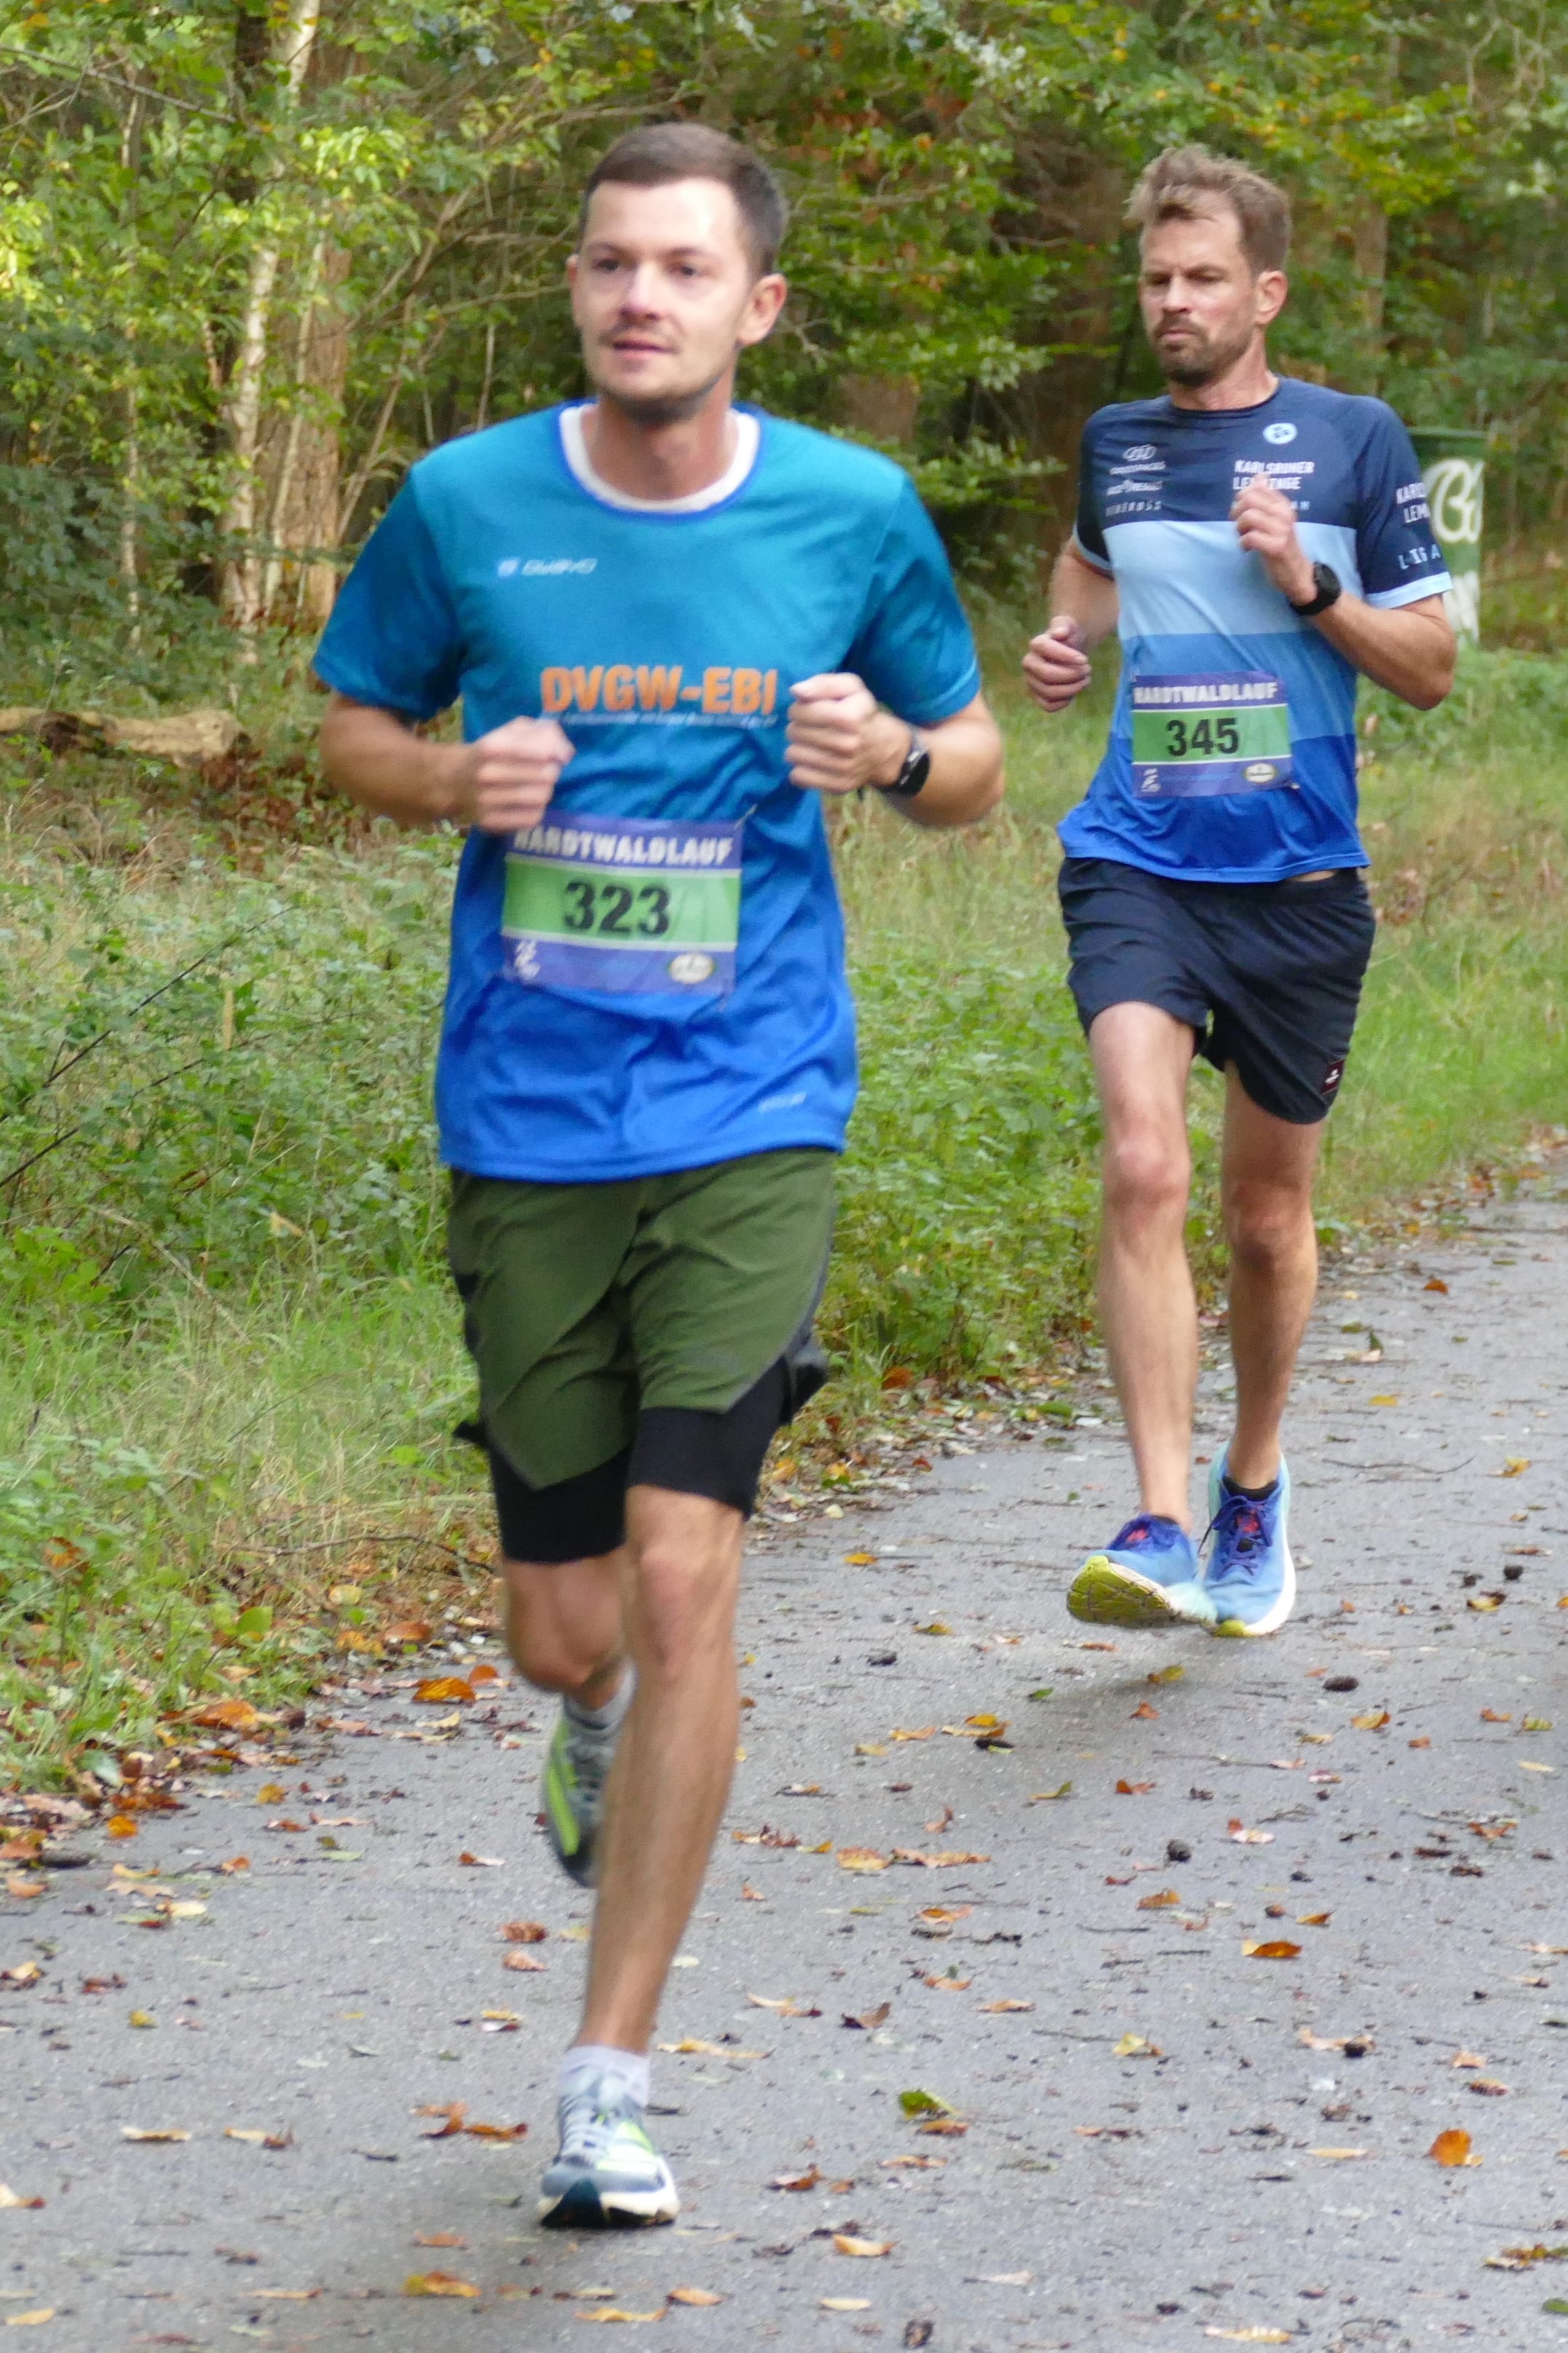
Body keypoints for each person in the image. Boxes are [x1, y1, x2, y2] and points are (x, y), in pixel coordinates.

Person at [314, 121, 1003, 2229]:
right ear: (578, 286)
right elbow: (349, 726)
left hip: (752, 1103)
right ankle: (590, 1716)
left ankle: (605, 2080)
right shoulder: (467, 502)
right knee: (566, 1627)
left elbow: (973, 765)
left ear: (755, 306)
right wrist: (451, 773)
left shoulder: (850, 510)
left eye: (684, 268)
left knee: (691, 1570)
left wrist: (893, 758)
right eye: (612, 261)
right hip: (528, 1120)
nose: (641, 297)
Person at [1023, 145, 1454, 1638]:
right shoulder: (1117, 441)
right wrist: (1067, 642)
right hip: (1136, 859)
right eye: (1155, 278)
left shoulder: (1352, 441)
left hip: (1299, 885)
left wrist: (1307, 585)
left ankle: (1249, 1486)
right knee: (1143, 1165)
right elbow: (1088, 566)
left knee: (1267, 1223)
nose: (1173, 302)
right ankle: (1155, 1522)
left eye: (1202, 278)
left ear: (1263, 293)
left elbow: (1432, 669)